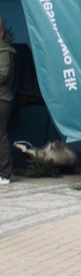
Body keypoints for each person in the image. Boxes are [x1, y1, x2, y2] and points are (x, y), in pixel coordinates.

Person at [0, 17, 15, 186]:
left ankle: (4, 174)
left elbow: (3, 74)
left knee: (1, 136)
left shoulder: (4, 52)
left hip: (2, 98)